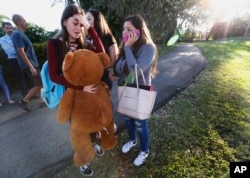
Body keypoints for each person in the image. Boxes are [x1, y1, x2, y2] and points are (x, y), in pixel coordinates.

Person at [46, 4, 106, 176]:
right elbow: (54, 75)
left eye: (81, 24)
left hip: (90, 94)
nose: (79, 28)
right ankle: (82, 161)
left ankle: (94, 142)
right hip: (72, 96)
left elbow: (102, 56)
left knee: (92, 125)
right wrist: (81, 87)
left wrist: (91, 29)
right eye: (75, 23)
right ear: (64, 22)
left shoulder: (84, 44)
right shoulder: (54, 44)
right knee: (78, 131)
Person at [112, 15, 158, 166]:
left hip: (141, 90)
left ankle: (144, 150)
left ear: (139, 31)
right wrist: (113, 72)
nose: (125, 32)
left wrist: (126, 47)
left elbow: (136, 70)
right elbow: (120, 68)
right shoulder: (126, 47)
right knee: (128, 119)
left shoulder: (148, 47)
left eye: (129, 29)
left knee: (140, 124)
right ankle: (132, 140)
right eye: (124, 29)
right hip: (125, 88)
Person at [11, 14, 43, 112]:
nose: (26, 22)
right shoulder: (17, 34)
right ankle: (23, 101)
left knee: (38, 84)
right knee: (39, 84)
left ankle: (42, 100)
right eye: (24, 20)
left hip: (31, 63)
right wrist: (31, 67)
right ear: (18, 22)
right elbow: (21, 51)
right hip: (29, 64)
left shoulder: (21, 34)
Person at [86, 9, 119, 90]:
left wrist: (99, 67)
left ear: (97, 20)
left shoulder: (108, 37)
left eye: (89, 19)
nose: (85, 22)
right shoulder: (87, 39)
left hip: (105, 77)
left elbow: (113, 61)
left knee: (104, 101)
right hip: (91, 79)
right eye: (85, 19)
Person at [0, 22, 29, 98]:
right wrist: (18, 50)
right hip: (14, 60)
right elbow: (9, 51)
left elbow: (24, 47)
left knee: (28, 75)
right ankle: (25, 96)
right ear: (3, 29)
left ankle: (32, 93)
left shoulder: (17, 36)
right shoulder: (2, 39)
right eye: (7, 28)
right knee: (21, 78)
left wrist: (15, 48)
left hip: (23, 58)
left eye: (11, 28)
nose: (10, 30)